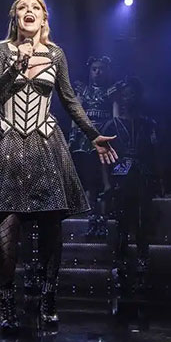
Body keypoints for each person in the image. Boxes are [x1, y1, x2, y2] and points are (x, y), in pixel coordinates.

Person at [0, 0, 117, 333]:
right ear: (14, 18)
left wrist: (92, 134)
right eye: (22, 8)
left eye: (35, 8)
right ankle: (7, 304)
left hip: (44, 142)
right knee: (8, 223)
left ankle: (48, 299)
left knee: (51, 222)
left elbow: (70, 99)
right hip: (6, 143)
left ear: (44, 18)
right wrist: (15, 68)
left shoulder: (56, 54)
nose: (29, 12)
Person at [101, 77, 160, 293]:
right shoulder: (112, 125)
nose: (129, 98)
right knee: (122, 225)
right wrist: (107, 184)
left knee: (143, 223)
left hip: (142, 177)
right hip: (121, 178)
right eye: (126, 94)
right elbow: (103, 158)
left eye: (133, 93)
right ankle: (120, 265)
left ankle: (143, 264)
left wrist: (159, 180)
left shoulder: (148, 124)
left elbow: (155, 155)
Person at [69, 56, 117, 238]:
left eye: (101, 69)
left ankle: (104, 219)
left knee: (106, 180)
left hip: (105, 136)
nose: (98, 72)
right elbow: (77, 114)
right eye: (94, 69)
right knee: (90, 180)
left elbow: (115, 117)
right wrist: (72, 137)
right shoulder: (83, 91)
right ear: (89, 71)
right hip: (85, 139)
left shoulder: (111, 91)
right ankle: (91, 219)